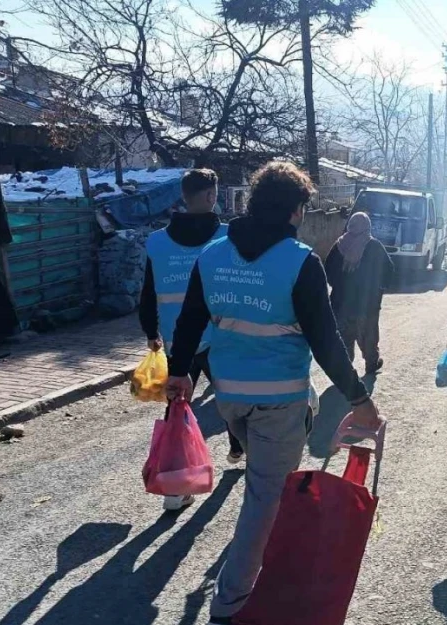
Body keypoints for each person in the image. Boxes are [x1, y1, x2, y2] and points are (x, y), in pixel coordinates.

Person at [164, 161, 381, 625]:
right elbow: (326, 342)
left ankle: (254, 577)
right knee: (264, 498)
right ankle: (230, 604)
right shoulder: (300, 262)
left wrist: (179, 372)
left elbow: (189, 321)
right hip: (278, 399)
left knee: (265, 488)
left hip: (230, 398)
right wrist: (360, 399)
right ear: (296, 209)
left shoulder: (213, 256)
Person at [140, 168, 243, 511]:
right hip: (219, 336)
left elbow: (147, 293)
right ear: (212, 195)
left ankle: (174, 490)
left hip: (175, 343)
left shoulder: (156, 242)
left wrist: (150, 332)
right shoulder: (228, 237)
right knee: (232, 398)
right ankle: (239, 447)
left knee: (177, 412)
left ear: (183, 197)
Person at [325, 212, 393, 376]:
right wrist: (378, 289)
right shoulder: (374, 246)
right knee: (369, 336)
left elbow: (327, 270)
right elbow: (389, 271)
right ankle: (371, 363)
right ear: (367, 226)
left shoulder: (339, 245)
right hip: (367, 304)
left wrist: (339, 286)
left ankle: (345, 370)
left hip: (341, 304)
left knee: (344, 339)